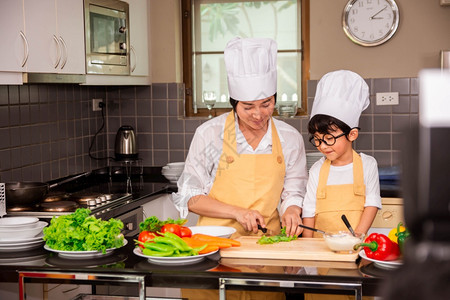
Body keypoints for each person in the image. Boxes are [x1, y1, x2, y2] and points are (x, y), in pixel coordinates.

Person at [172, 37, 307, 239]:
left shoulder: (289, 138)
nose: (258, 114)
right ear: (234, 104)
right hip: (217, 241)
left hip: (268, 242)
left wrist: (292, 210)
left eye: (266, 104)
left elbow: (294, 190)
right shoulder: (210, 135)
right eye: (248, 106)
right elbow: (190, 197)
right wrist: (238, 212)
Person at [302, 70, 381, 238]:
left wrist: (357, 236)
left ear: (351, 134)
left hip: (355, 245)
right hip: (319, 250)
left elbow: (372, 203)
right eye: (316, 139)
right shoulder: (317, 169)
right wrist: (307, 247)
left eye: (329, 138)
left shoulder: (367, 164)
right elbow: (308, 211)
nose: (322, 146)